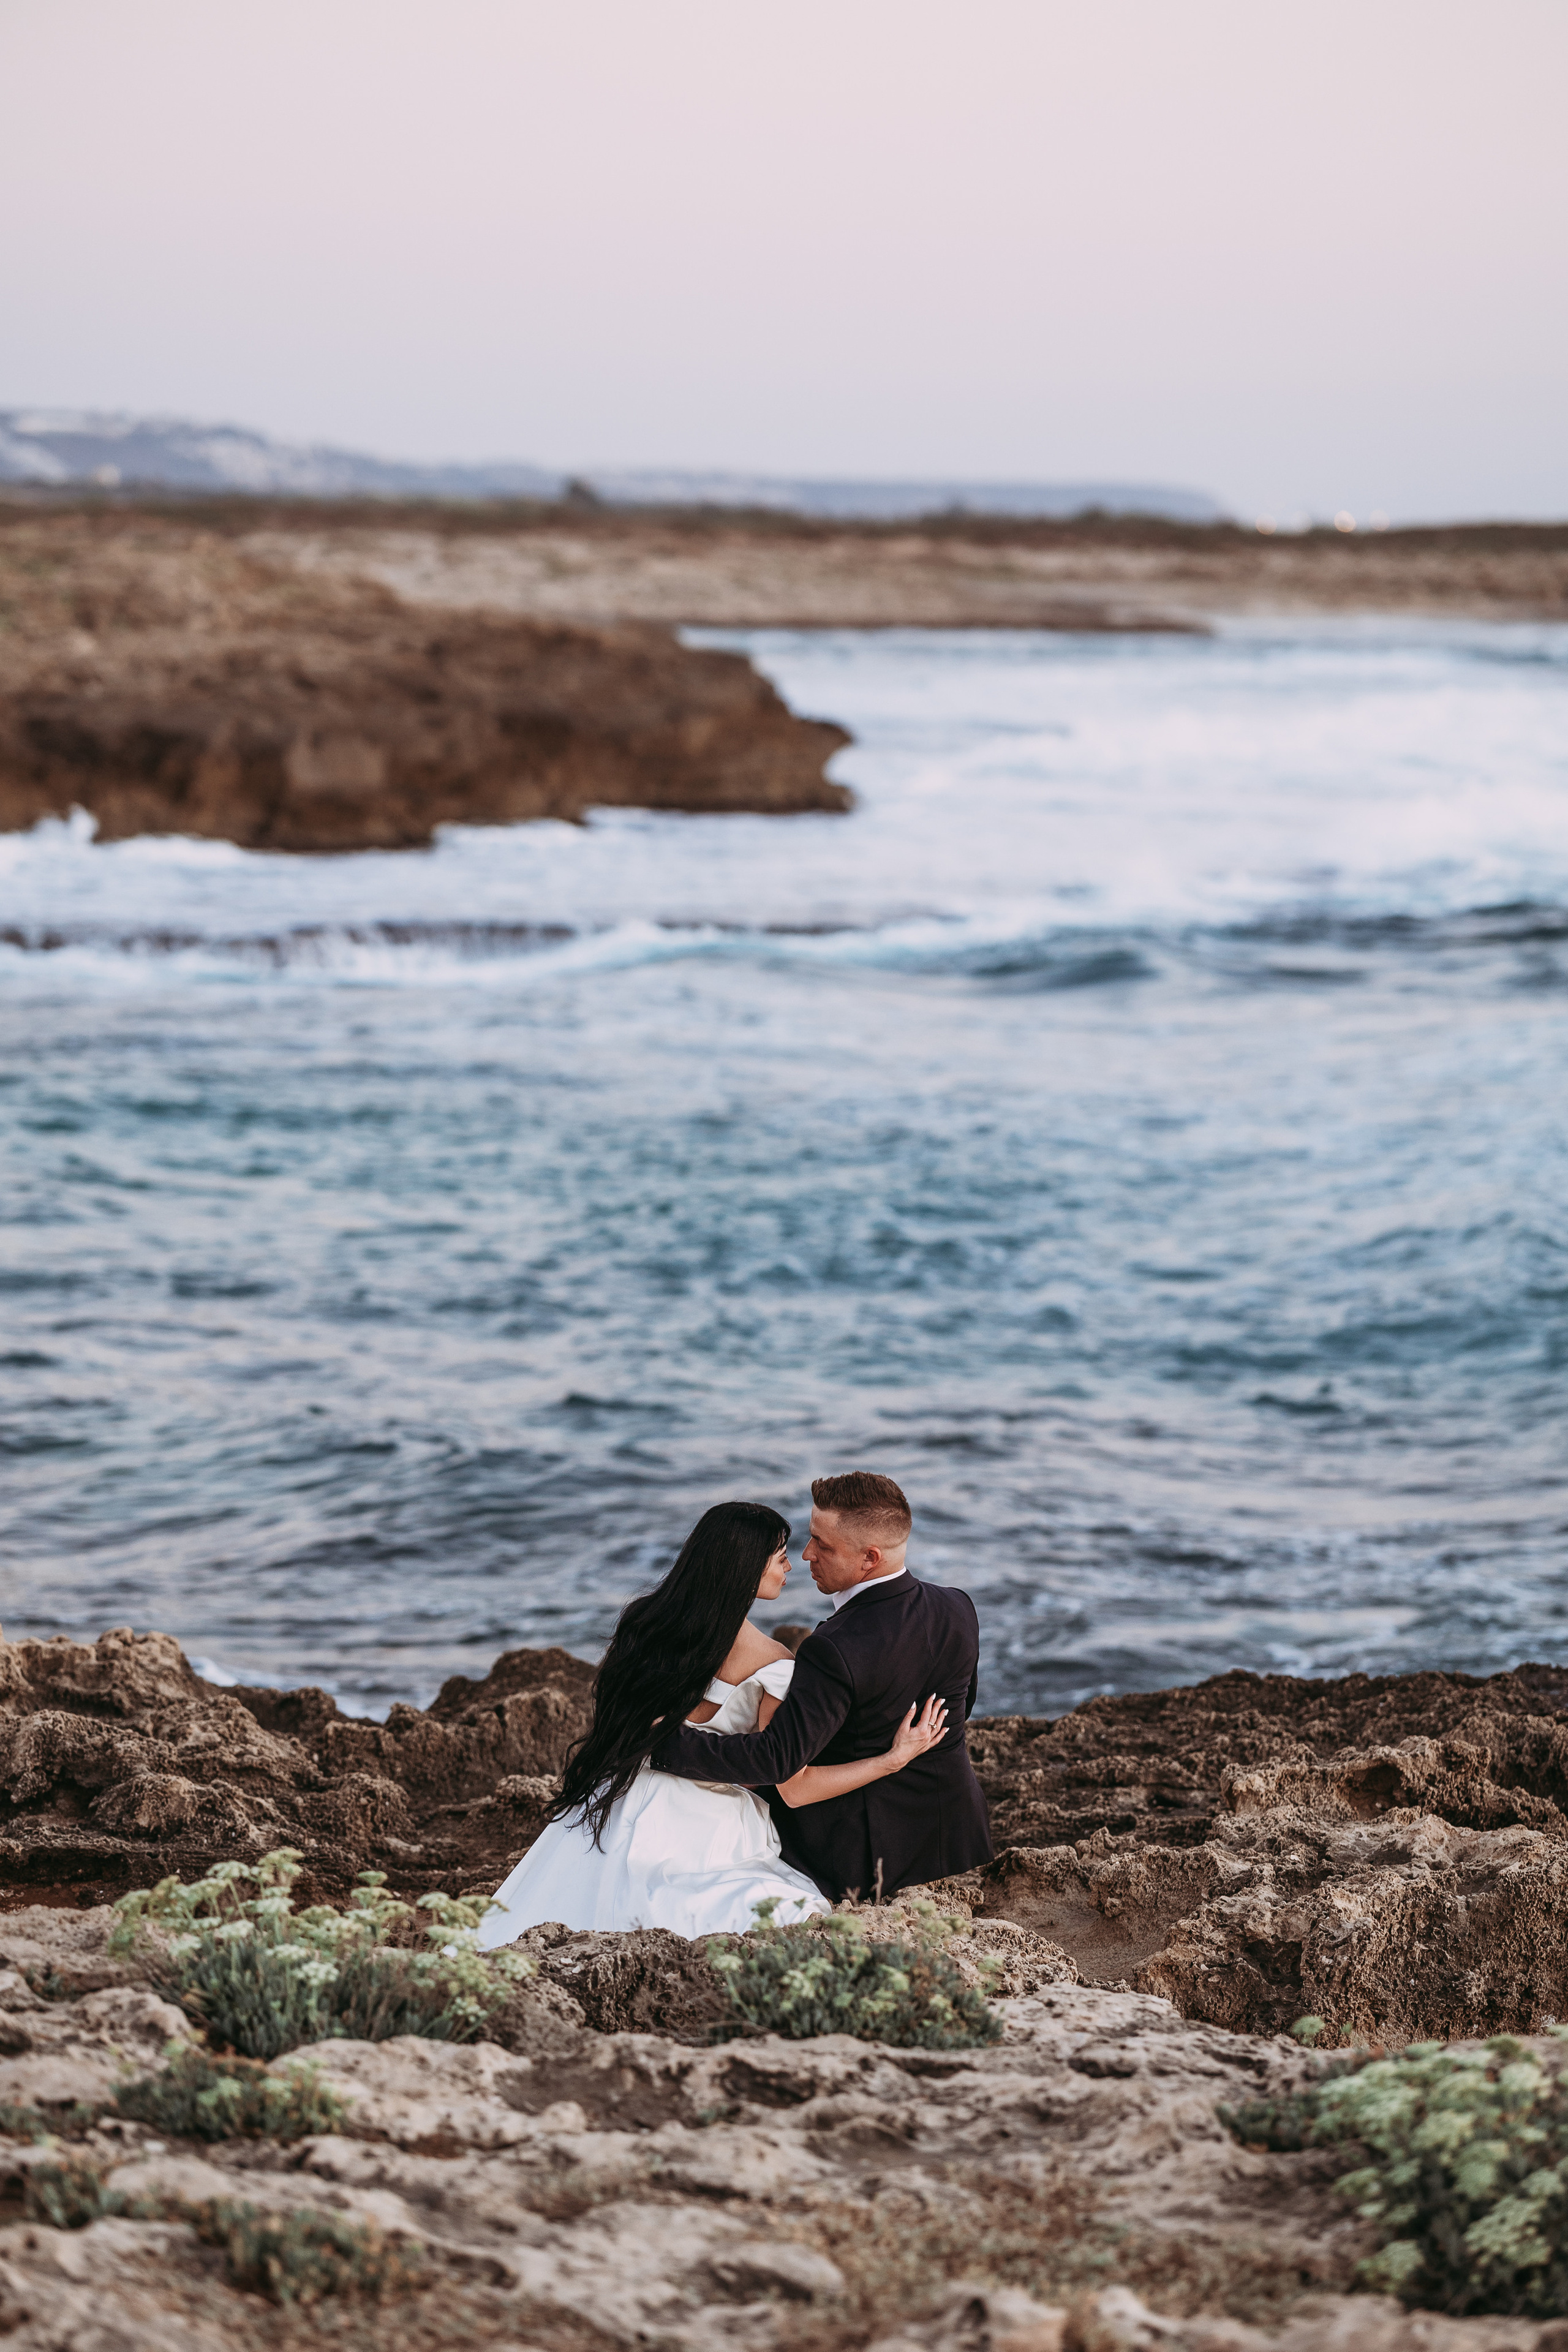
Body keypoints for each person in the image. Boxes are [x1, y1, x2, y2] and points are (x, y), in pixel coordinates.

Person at [476, 1498, 949, 1943]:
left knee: (565, 1896)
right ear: (746, 1568)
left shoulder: (648, 1622)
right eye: (780, 1555)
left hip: (621, 1793)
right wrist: (890, 1760)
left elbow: (620, 1714)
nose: (792, 1564)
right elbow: (792, 1783)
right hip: (711, 1819)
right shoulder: (775, 1661)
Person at [649, 1472, 993, 1902]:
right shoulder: (958, 1605)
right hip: (960, 1836)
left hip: (866, 1857)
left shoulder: (834, 1648)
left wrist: (662, 1742)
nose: (808, 1554)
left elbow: (777, 1759)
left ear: (870, 1558)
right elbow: (960, 1709)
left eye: (823, 1545)